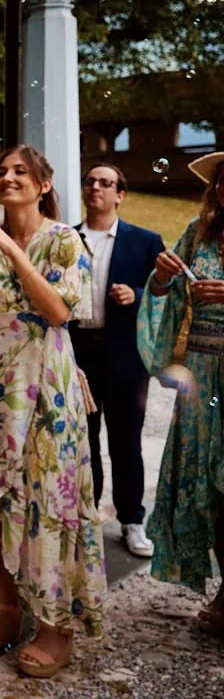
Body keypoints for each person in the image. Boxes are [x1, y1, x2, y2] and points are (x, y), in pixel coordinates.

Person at [0, 145, 105, 679]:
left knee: (46, 496)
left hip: (46, 386)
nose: (8, 177)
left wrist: (15, 254)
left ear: (43, 185)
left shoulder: (65, 241)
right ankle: (5, 609)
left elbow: (60, 311)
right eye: (2, 172)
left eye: (20, 172)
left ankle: (55, 625)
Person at [138, 151, 224, 633]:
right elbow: (161, 294)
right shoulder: (198, 233)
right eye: (223, 181)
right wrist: (163, 276)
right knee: (205, 491)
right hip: (203, 375)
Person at [73, 163, 164, 557]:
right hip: (78, 352)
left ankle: (132, 520)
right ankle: (87, 516)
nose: (96, 187)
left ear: (120, 194)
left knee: (126, 440)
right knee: (82, 439)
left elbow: (169, 294)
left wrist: (138, 295)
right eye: (90, 181)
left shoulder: (145, 241)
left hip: (127, 352)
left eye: (105, 183)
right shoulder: (66, 239)